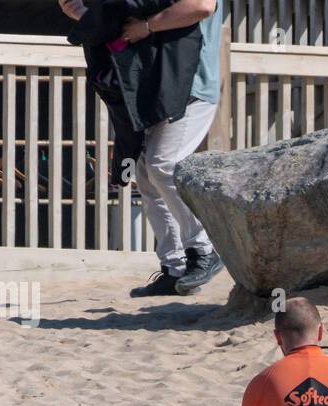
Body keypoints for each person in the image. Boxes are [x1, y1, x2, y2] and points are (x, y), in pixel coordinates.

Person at [60, 0, 224, 297]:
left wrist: (147, 27)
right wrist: (84, 14)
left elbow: (201, 6)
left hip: (192, 89)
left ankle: (205, 249)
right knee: (147, 174)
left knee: (163, 165)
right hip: (156, 89)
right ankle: (174, 268)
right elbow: (120, 24)